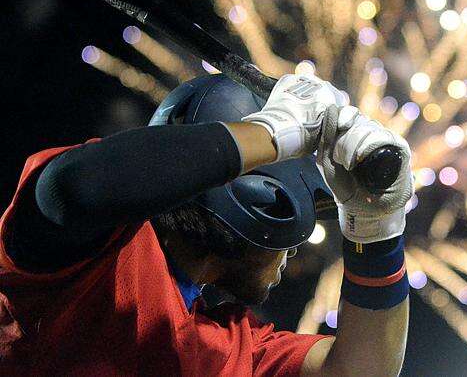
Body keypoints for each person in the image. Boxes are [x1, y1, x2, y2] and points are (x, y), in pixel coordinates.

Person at [0, 73, 414, 376]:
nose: (294, 250)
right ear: (260, 190)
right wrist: (272, 133)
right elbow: (75, 185)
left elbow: (363, 370)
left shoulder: (229, 348)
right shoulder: (102, 251)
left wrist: (378, 228)